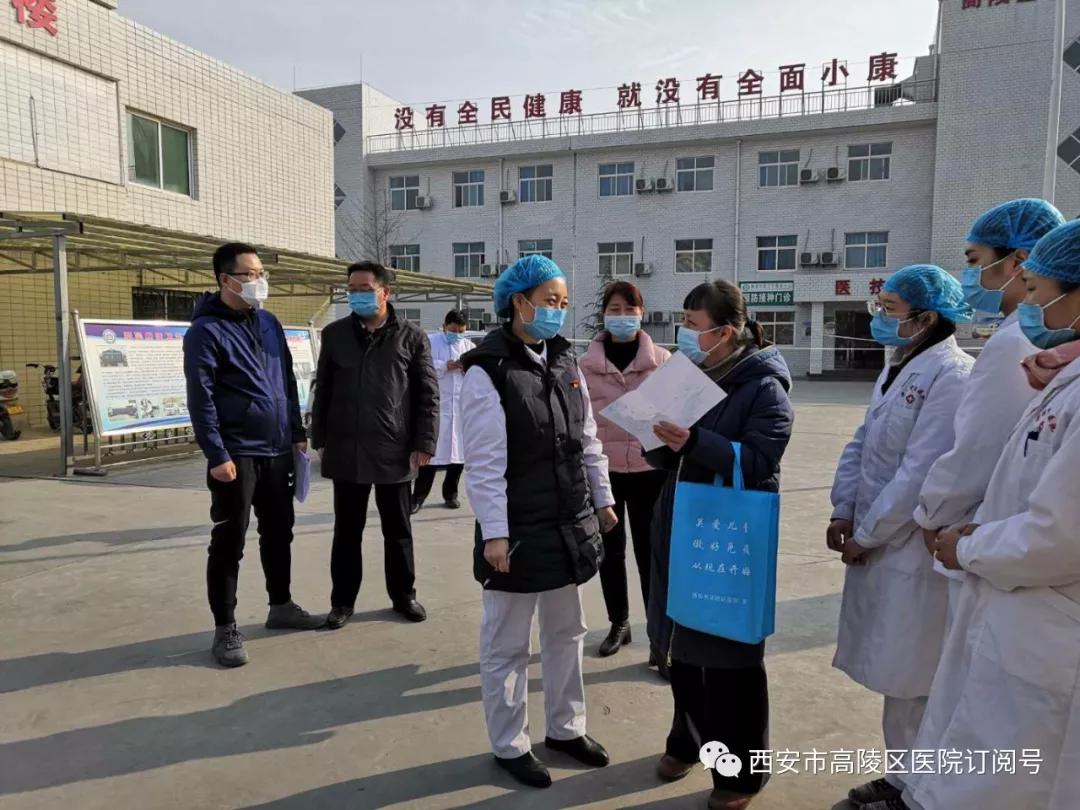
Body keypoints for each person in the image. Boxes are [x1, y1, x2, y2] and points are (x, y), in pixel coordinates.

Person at [902, 220, 1080, 810]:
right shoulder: (1063, 375)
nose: (1027, 304)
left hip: (1045, 615)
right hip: (1017, 600)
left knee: (1011, 776)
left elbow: (1057, 537)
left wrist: (966, 544)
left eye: (1036, 289)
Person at [459, 255, 619, 789]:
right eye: (550, 301)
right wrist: (497, 533)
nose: (559, 311)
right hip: (519, 528)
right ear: (518, 301)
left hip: (569, 519)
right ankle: (510, 743)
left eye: (564, 303)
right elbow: (484, 463)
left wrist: (603, 498)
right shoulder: (488, 369)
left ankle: (566, 729)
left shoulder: (565, 360)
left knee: (567, 631)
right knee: (506, 643)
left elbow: (588, 439)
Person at [826, 264, 974, 810]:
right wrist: (843, 509)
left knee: (919, 680)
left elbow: (920, 472)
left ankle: (919, 791)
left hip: (911, 547)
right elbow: (861, 445)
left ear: (926, 317)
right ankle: (902, 779)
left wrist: (868, 533)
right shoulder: (897, 367)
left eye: (889, 308)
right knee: (900, 678)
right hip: (879, 540)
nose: (879, 318)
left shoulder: (952, 375)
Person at [645, 280, 793, 810]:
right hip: (684, 521)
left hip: (729, 532)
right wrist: (656, 437)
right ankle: (687, 741)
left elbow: (758, 461)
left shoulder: (764, 387)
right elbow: (671, 452)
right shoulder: (691, 375)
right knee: (683, 647)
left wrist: (697, 443)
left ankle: (741, 774)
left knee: (731, 656)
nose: (685, 333)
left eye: (693, 324)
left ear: (726, 332)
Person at [915, 200, 1064, 609]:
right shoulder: (1029, 338)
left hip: (986, 534)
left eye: (973, 259)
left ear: (1018, 260)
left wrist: (933, 514)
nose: (969, 275)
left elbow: (977, 446)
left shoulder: (1016, 343)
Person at [183, 243, 323, 668]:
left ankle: (280, 605)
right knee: (230, 539)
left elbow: (283, 378)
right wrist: (216, 453)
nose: (259, 281)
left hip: (278, 448)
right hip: (236, 454)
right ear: (226, 280)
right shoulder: (205, 332)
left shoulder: (268, 322)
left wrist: (297, 432)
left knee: (279, 532)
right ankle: (224, 627)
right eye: (250, 274)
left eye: (261, 272)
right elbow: (201, 397)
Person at [311, 261, 438, 629]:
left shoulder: (411, 336)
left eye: (365, 288)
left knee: (397, 530)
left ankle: (404, 596)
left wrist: (424, 441)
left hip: (393, 449)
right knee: (346, 531)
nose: (357, 295)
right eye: (352, 289)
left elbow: (428, 394)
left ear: (385, 292)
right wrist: (319, 438)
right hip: (346, 449)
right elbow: (324, 391)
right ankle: (342, 602)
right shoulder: (335, 335)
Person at [579, 281, 671, 659]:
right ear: (603, 315)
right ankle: (620, 622)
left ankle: (658, 637)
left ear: (641, 313)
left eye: (628, 309)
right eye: (613, 309)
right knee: (610, 554)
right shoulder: (584, 367)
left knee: (652, 556)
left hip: (652, 472)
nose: (621, 316)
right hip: (607, 476)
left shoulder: (664, 362)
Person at [412, 310, 475, 512]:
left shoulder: (469, 347)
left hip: (460, 409)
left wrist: (466, 367)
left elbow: (477, 373)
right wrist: (444, 366)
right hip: (436, 408)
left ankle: (451, 494)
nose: (456, 334)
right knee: (431, 454)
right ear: (444, 325)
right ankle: (418, 497)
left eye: (461, 331)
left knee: (458, 457)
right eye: (453, 330)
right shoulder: (430, 342)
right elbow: (420, 366)